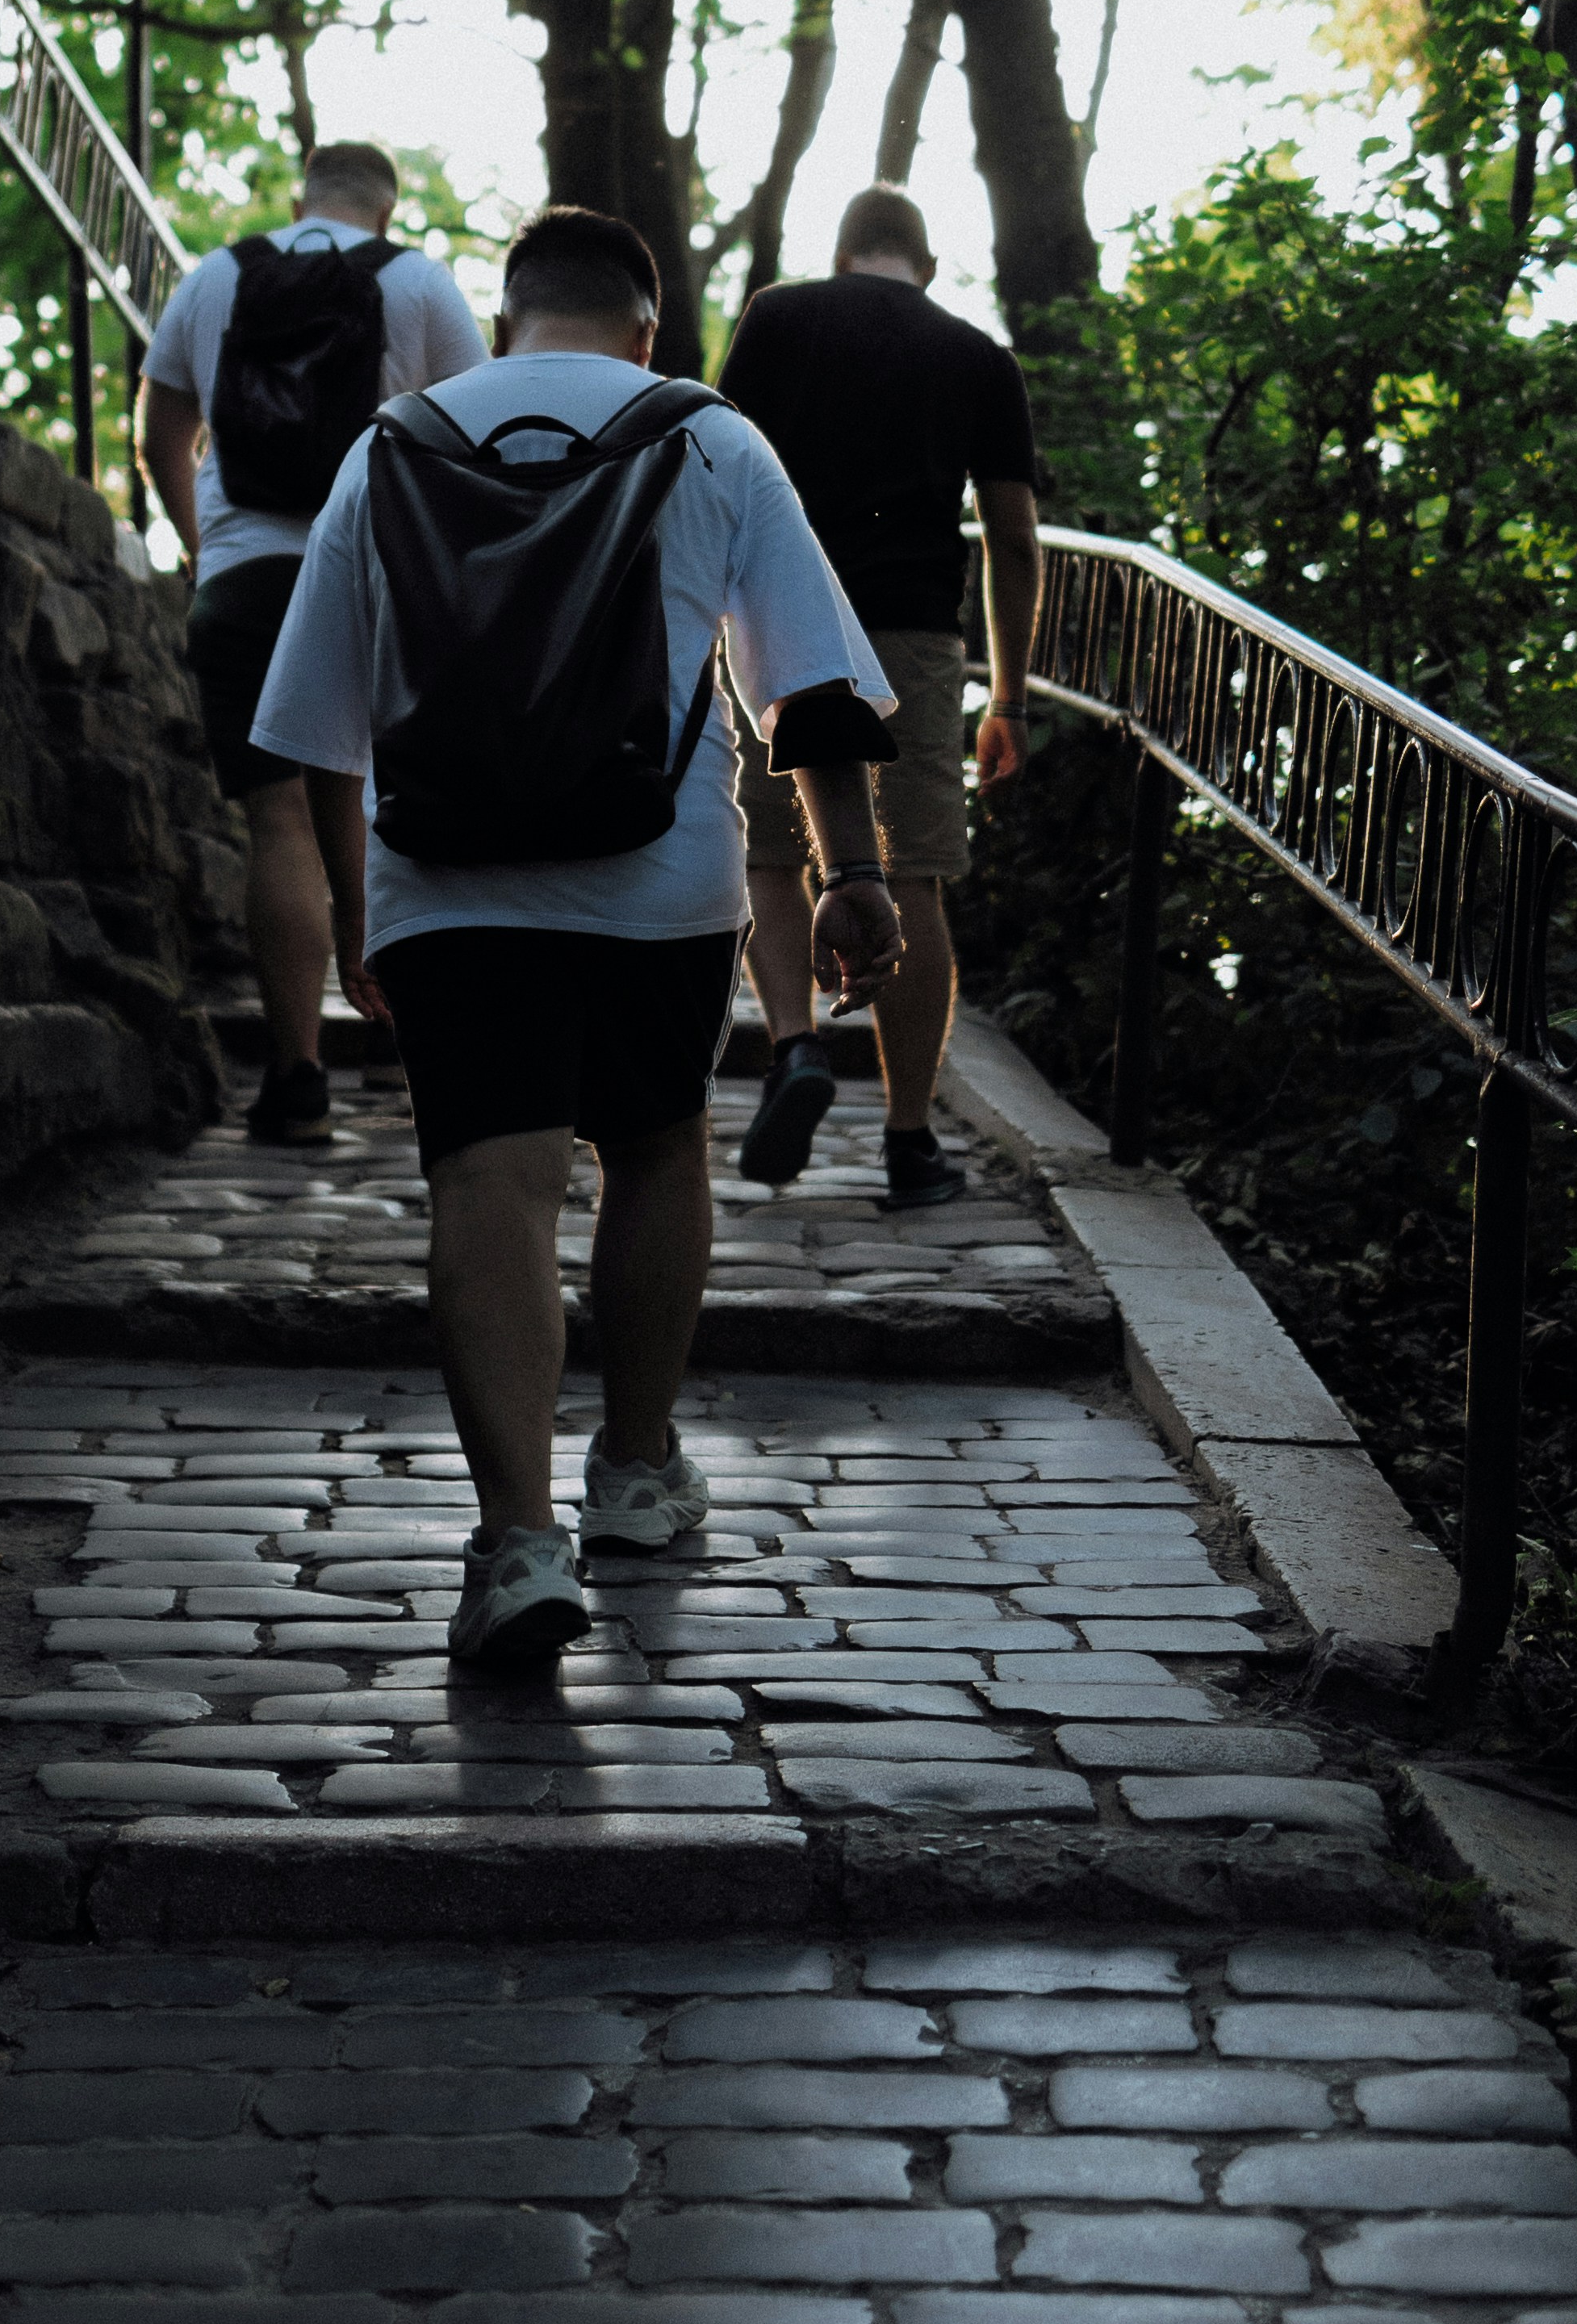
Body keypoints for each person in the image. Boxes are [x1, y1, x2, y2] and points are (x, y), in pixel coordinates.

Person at [251, 203, 901, 1675]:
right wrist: (852, 869)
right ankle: (634, 1469)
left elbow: (315, 730)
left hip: (446, 882)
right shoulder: (710, 435)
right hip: (659, 880)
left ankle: (519, 1541)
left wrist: (367, 922)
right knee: (657, 1146)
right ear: (645, 329)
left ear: (505, 313)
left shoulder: (393, 446)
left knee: (490, 1177)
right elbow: (810, 688)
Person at [138, 137, 484, 1151]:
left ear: (304, 194)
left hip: (244, 581)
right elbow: (476, 438)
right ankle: (419, 1054)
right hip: (372, 574)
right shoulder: (416, 281)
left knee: (277, 824)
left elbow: (160, 430)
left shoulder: (214, 278)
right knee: (389, 808)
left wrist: (204, 549)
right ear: (385, 204)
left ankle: (295, 1081)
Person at [715, 180, 1044, 1210]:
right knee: (914, 876)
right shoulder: (975, 354)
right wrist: (1009, 698)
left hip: (779, 613)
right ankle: (908, 1142)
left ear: (842, 249)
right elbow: (1012, 537)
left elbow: (718, 469)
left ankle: (795, 1050)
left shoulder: (778, 315)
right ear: (927, 264)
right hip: (913, 636)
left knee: (772, 852)